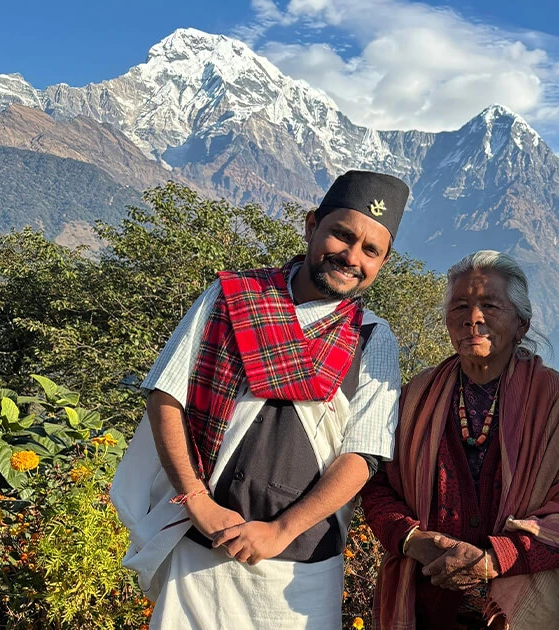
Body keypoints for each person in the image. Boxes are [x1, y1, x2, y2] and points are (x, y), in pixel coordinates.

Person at [109, 170, 409, 629]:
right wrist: (197, 502)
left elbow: (363, 455)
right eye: (342, 236)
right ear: (312, 227)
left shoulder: (373, 338)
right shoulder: (232, 298)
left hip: (302, 574)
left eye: (371, 251)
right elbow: (166, 396)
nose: (352, 257)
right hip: (201, 548)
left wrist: (280, 531)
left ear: (382, 263)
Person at [361, 250, 559, 630]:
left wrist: (493, 559)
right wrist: (410, 538)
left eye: (490, 305)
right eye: (460, 306)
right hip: (426, 603)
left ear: (522, 324)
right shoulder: (416, 395)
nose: (473, 319)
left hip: (515, 610)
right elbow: (378, 484)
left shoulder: (557, 401)